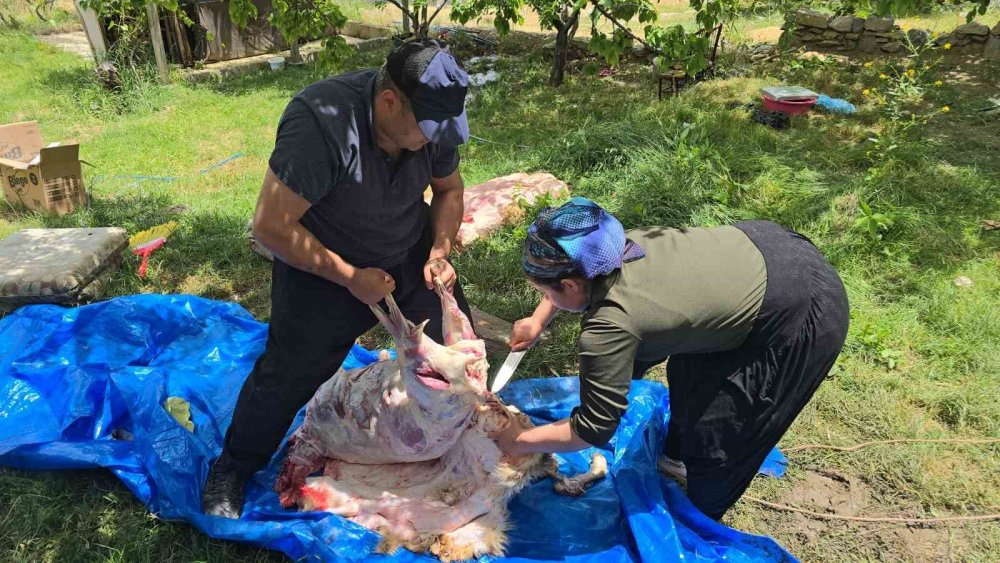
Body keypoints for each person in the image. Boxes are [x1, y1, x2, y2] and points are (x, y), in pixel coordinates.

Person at [201, 38, 474, 519]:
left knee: (456, 356)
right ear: (389, 101)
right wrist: (349, 277)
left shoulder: (435, 121)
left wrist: (439, 248)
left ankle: (460, 442)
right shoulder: (322, 123)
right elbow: (270, 226)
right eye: (426, 129)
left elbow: (449, 190)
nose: (434, 140)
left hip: (408, 251)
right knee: (289, 372)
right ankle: (235, 465)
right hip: (322, 265)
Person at [495, 197, 849, 520]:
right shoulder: (609, 245)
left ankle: (696, 522)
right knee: (688, 373)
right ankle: (676, 457)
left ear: (570, 284)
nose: (543, 297)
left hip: (799, 306)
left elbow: (593, 428)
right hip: (764, 247)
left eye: (543, 293)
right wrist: (537, 319)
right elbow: (566, 279)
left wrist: (518, 442)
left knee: (723, 431)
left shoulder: (609, 327)